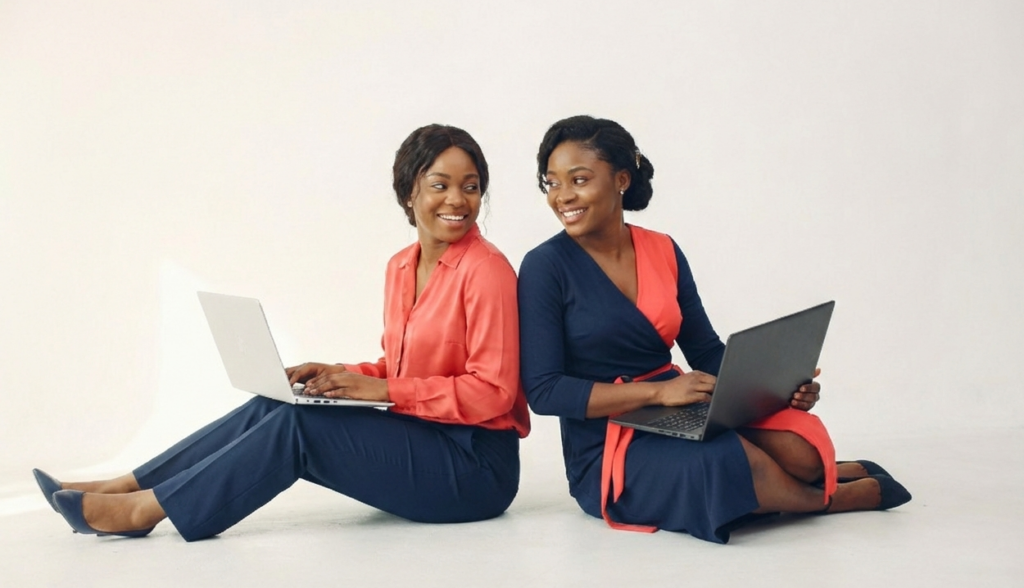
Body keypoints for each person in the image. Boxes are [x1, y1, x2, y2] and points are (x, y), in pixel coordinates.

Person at [33, 124, 531, 542]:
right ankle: (127, 486)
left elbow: (493, 391)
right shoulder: (401, 266)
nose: (458, 200)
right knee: (280, 404)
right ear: (409, 193)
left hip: (473, 469)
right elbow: (406, 370)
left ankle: (148, 511)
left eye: (471, 186)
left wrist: (380, 389)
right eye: (440, 185)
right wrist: (340, 374)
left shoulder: (486, 270)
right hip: (423, 438)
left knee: (300, 430)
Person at [517, 115, 910, 544]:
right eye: (551, 183)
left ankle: (818, 476)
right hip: (609, 440)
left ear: (621, 179)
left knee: (802, 448)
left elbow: (704, 350)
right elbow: (545, 391)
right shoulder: (544, 267)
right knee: (726, 461)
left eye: (579, 179)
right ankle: (829, 500)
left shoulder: (663, 248)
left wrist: (779, 384)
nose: (562, 197)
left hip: (679, 410)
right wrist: (656, 392)